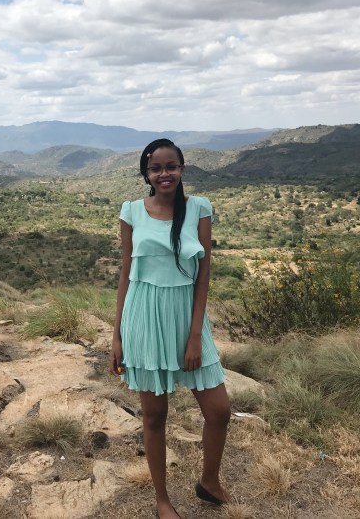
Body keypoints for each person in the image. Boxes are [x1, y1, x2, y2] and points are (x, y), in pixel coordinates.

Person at [110, 138, 231, 518]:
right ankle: (162, 501)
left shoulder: (199, 209)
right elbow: (126, 274)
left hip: (187, 319)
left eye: (171, 166)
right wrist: (116, 335)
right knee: (154, 416)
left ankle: (209, 482)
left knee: (219, 410)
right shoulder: (131, 211)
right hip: (144, 318)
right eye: (156, 168)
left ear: (182, 169)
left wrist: (195, 336)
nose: (164, 174)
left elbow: (203, 274)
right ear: (146, 173)